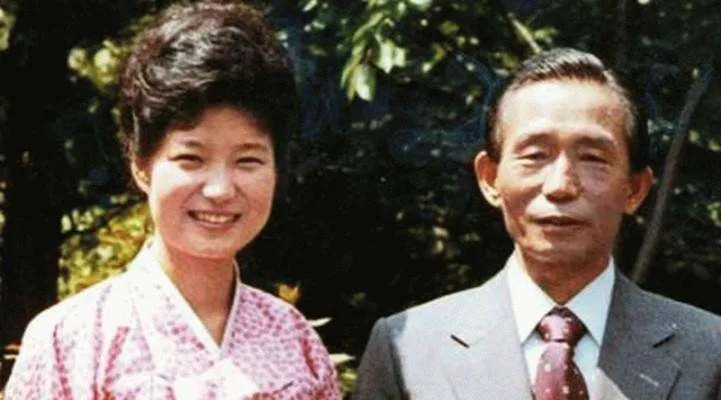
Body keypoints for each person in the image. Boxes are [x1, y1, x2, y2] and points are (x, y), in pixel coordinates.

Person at [4, 1, 341, 398]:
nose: (220, 190)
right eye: (190, 159)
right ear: (141, 166)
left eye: (248, 160)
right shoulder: (71, 339)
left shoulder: (295, 341)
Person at [353, 48, 721, 399]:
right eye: (535, 155)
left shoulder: (708, 351)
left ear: (635, 189)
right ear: (490, 178)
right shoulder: (408, 348)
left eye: (593, 158)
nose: (560, 185)